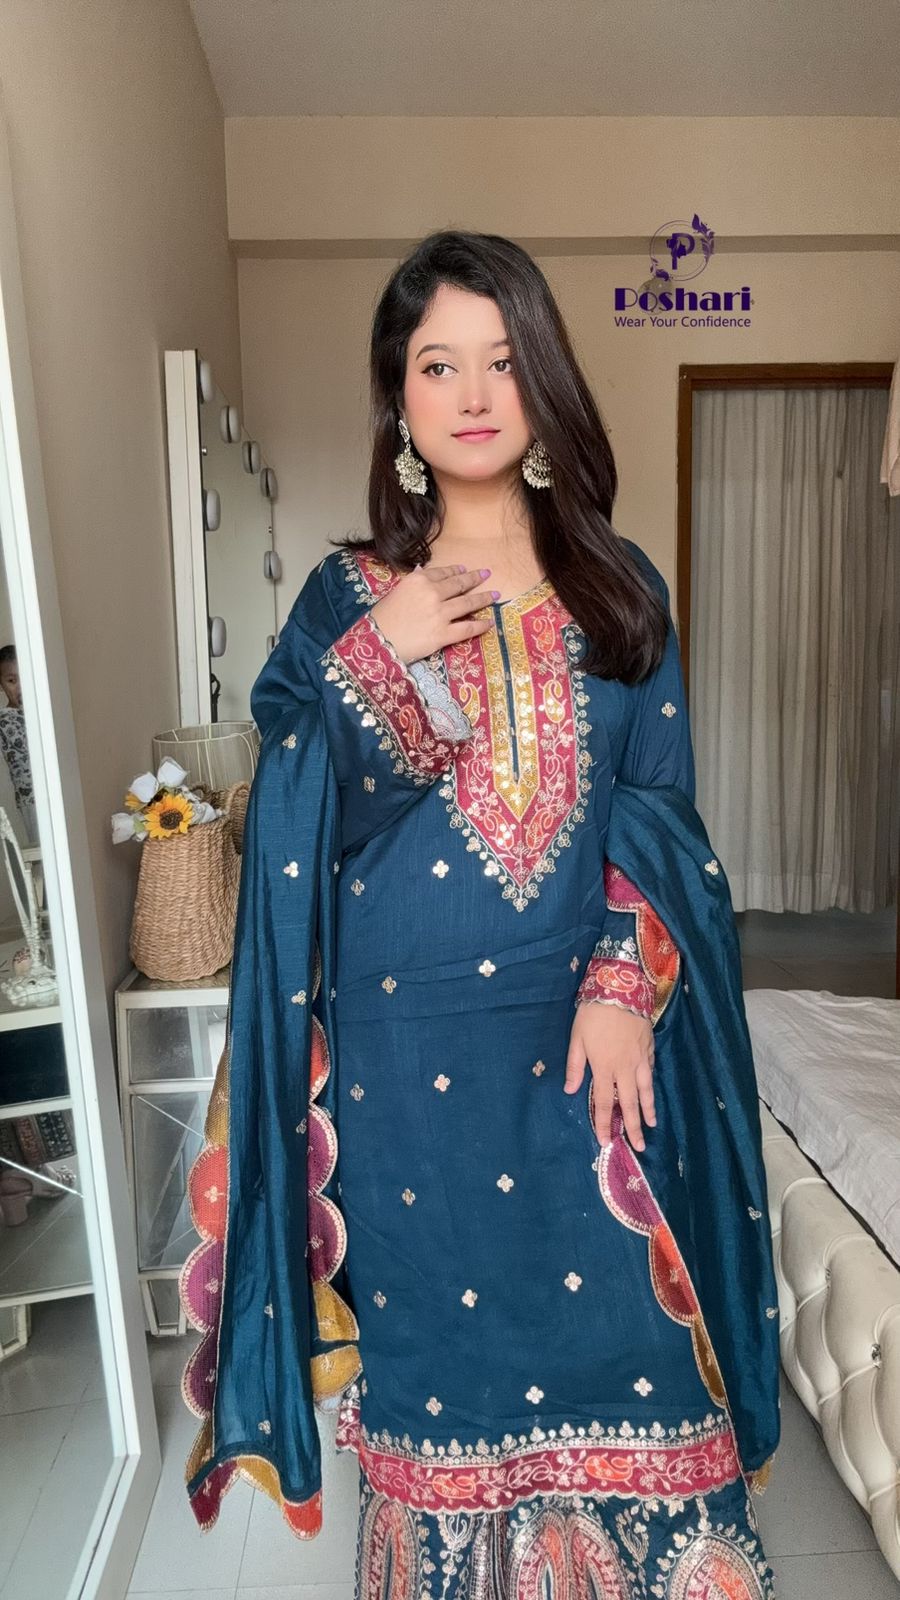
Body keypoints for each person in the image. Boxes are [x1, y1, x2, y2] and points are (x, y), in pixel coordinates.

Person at [180, 230, 780, 1597]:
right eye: (436, 364)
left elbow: (662, 815)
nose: (470, 393)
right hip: (409, 1091)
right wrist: (378, 660)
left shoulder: (621, 590)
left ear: (544, 382)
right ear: (398, 398)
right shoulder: (343, 600)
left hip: (587, 1062)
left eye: (501, 361)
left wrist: (623, 979)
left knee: (640, 1355)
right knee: (446, 1392)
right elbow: (294, 822)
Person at [0, 644, 37, 841]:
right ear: (2, 685)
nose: (20, 687)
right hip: (29, 798)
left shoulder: (42, 711)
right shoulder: (5, 718)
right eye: (11, 681)